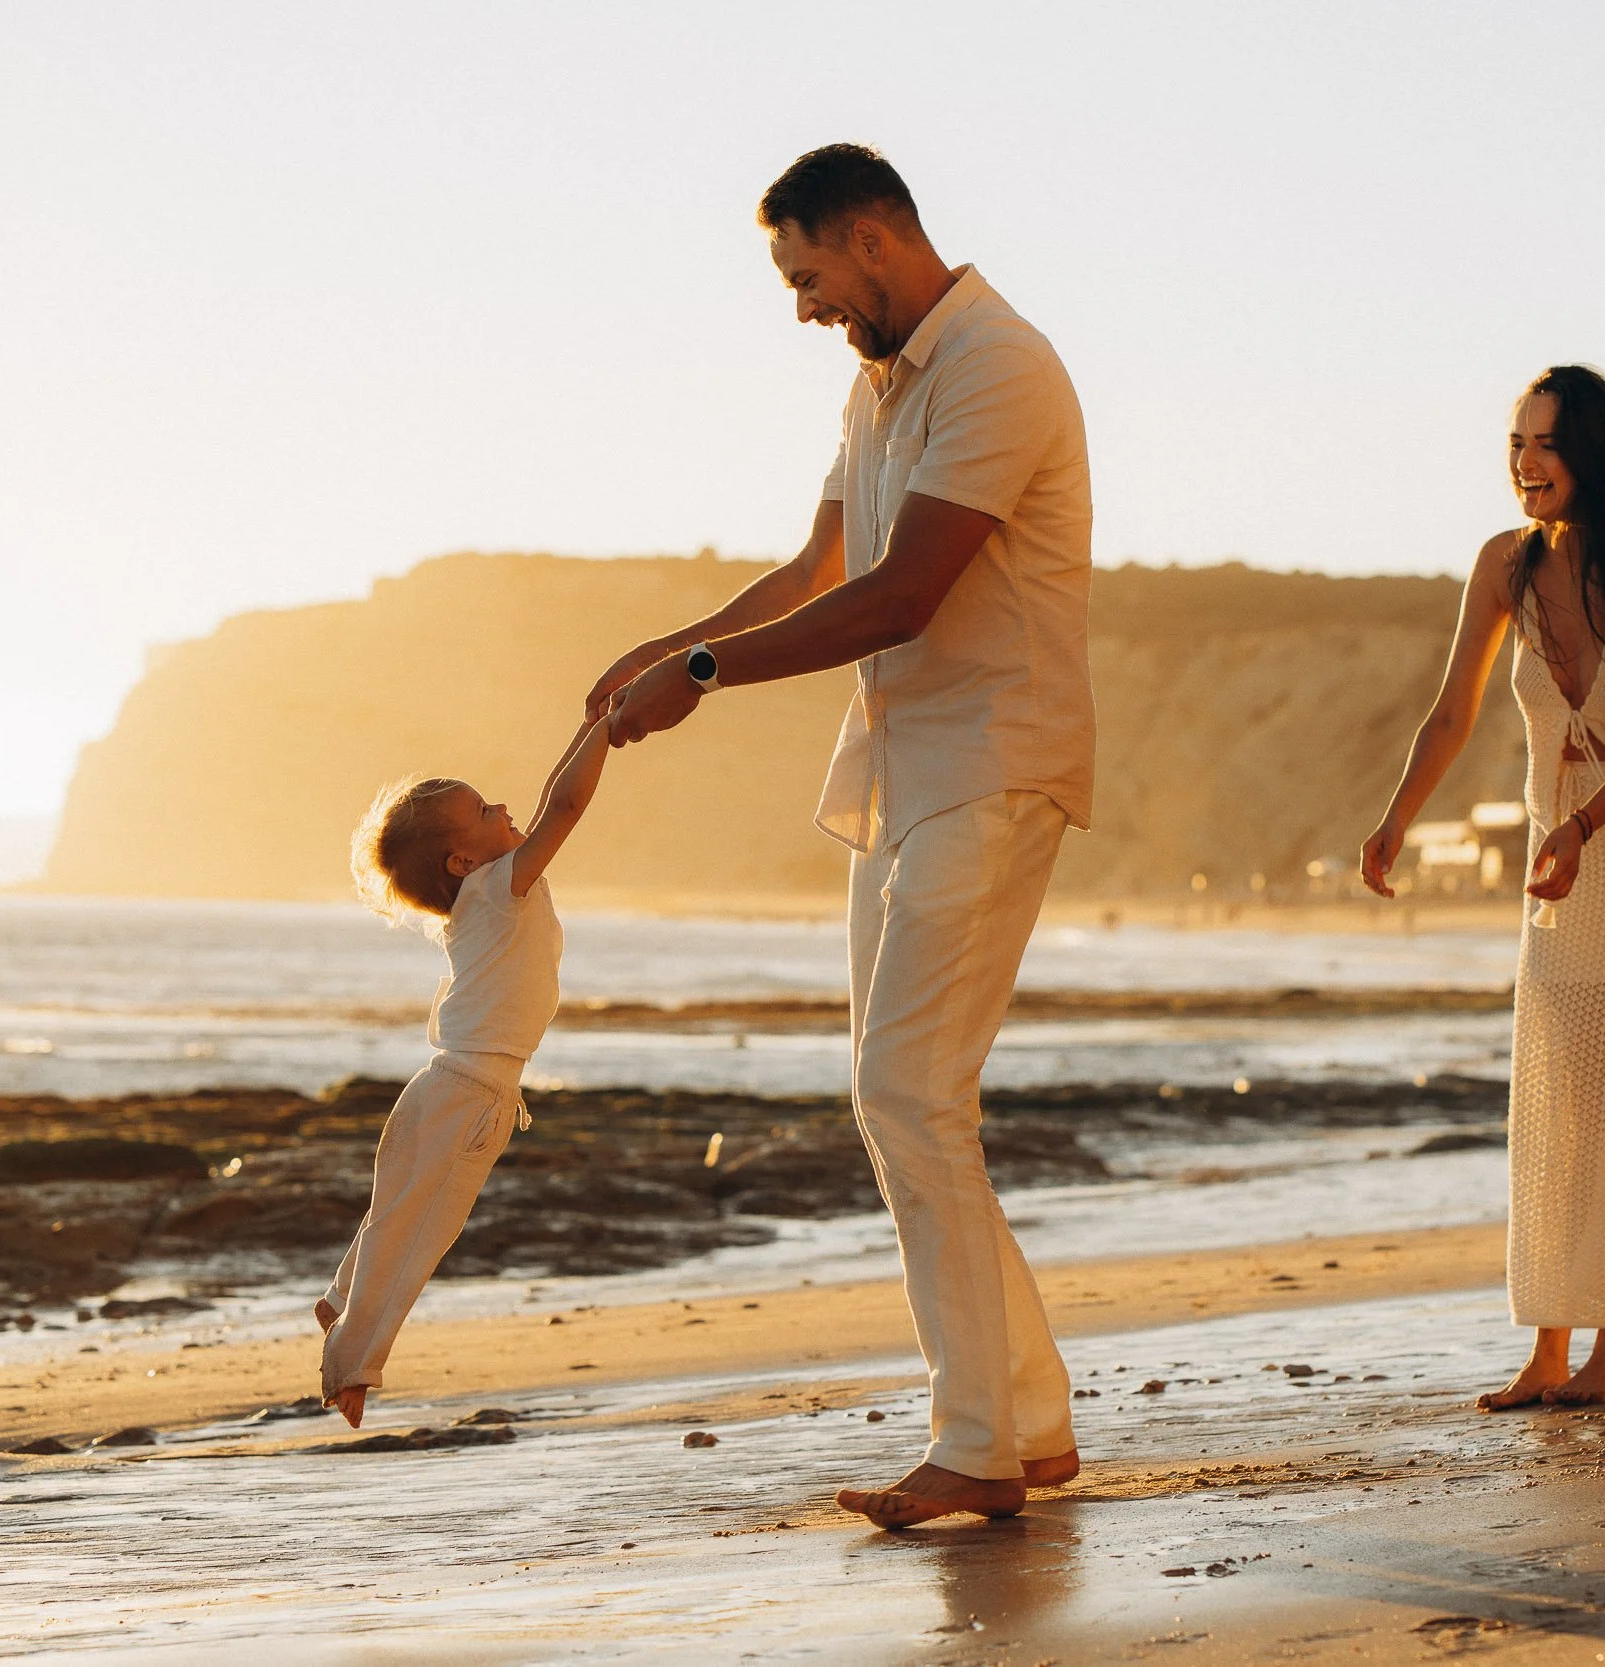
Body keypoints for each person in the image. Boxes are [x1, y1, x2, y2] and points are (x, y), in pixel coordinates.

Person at [586, 144, 1092, 1527]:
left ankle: (980, 1438)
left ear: (874, 237)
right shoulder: (876, 382)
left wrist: (694, 683)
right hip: (900, 774)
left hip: (993, 762)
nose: (803, 306)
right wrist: (674, 639)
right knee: (908, 1100)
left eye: (807, 275)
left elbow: (901, 596)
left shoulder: (999, 363)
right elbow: (817, 568)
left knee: (908, 1094)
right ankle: (1028, 1418)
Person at [1361, 365, 1605, 1408]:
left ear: (1593, 453)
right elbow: (1451, 713)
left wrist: (1578, 824)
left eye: (1546, 444)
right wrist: (1395, 817)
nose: (1525, 463)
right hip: (1560, 853)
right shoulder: (1503, 565)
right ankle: (1546, 1349)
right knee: (1557, 1090)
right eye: (1515, 443)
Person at [316, 717, 612, 1426]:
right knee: (423, 1229)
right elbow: (564, 808)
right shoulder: (497, 888)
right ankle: (350, 1366)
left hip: (444, 1084)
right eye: (483, 811)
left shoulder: (483, 895)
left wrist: (590, 723)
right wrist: (607, 733)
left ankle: (338, 1296)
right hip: (471, 1092)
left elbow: (546, 804)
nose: (504, 810)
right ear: (458, 860)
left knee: (395, 1213)